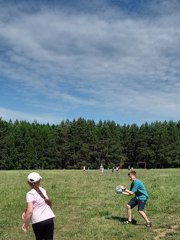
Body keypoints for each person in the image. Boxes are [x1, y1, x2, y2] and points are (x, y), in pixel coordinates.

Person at [22, 172, 55, 240]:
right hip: (49, 219)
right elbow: (39, 203)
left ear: (28, 183)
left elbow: (30, 211)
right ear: (40, 181)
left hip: (38, 222)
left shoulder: (30, 194)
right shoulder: (43, 190)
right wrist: (26, 210)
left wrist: (25, 223)